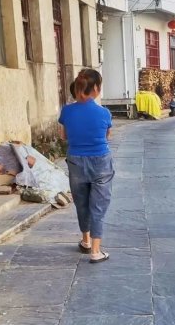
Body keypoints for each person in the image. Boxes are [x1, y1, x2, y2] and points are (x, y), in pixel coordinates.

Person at [58, 69, 114, 263]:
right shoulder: (104, 113)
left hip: (76, 160)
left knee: (81, 202)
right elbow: (107, 136)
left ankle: (86, 241)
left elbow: (64, 136)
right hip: (101, 161)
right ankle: (96, 251)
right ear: (96, 88)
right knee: (98, 205)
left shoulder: (66, 111)